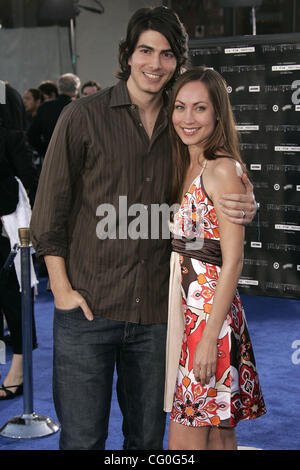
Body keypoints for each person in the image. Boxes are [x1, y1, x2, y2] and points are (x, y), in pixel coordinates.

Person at [30, 6, 257, 450]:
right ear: (128, 55)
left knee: (148, 442)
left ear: (178, 61)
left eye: (167, 54)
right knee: (82, 440)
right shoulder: (82, 117)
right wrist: (61, 288)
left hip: (159, 315)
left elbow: (216, 182)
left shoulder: (183, 125)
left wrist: (247, 202)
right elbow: (48, 213)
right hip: (88, 309)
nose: (155, 63)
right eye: (146, 51)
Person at [164, 67, 266, 450]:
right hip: (192, 312)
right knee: (219, 431)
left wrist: (208, 338)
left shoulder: (221, 168)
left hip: (209, 320)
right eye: (180, 107)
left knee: (185, 440)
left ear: (218, 114)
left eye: (200, 108)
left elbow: (234, 261)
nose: (187, 119)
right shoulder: (188, 159)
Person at [0, 83, 38, 400]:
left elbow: (29, 181)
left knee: (14, 298)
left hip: (6, 227)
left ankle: (18, 369)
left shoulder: (11, 137)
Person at [27, 73, 81, 157]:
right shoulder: (80, 108)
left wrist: (45, 151)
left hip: (51, 156)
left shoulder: (45, 107)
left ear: (58, 88)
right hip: (75, 156)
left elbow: (32, 135)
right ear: (77, 89)